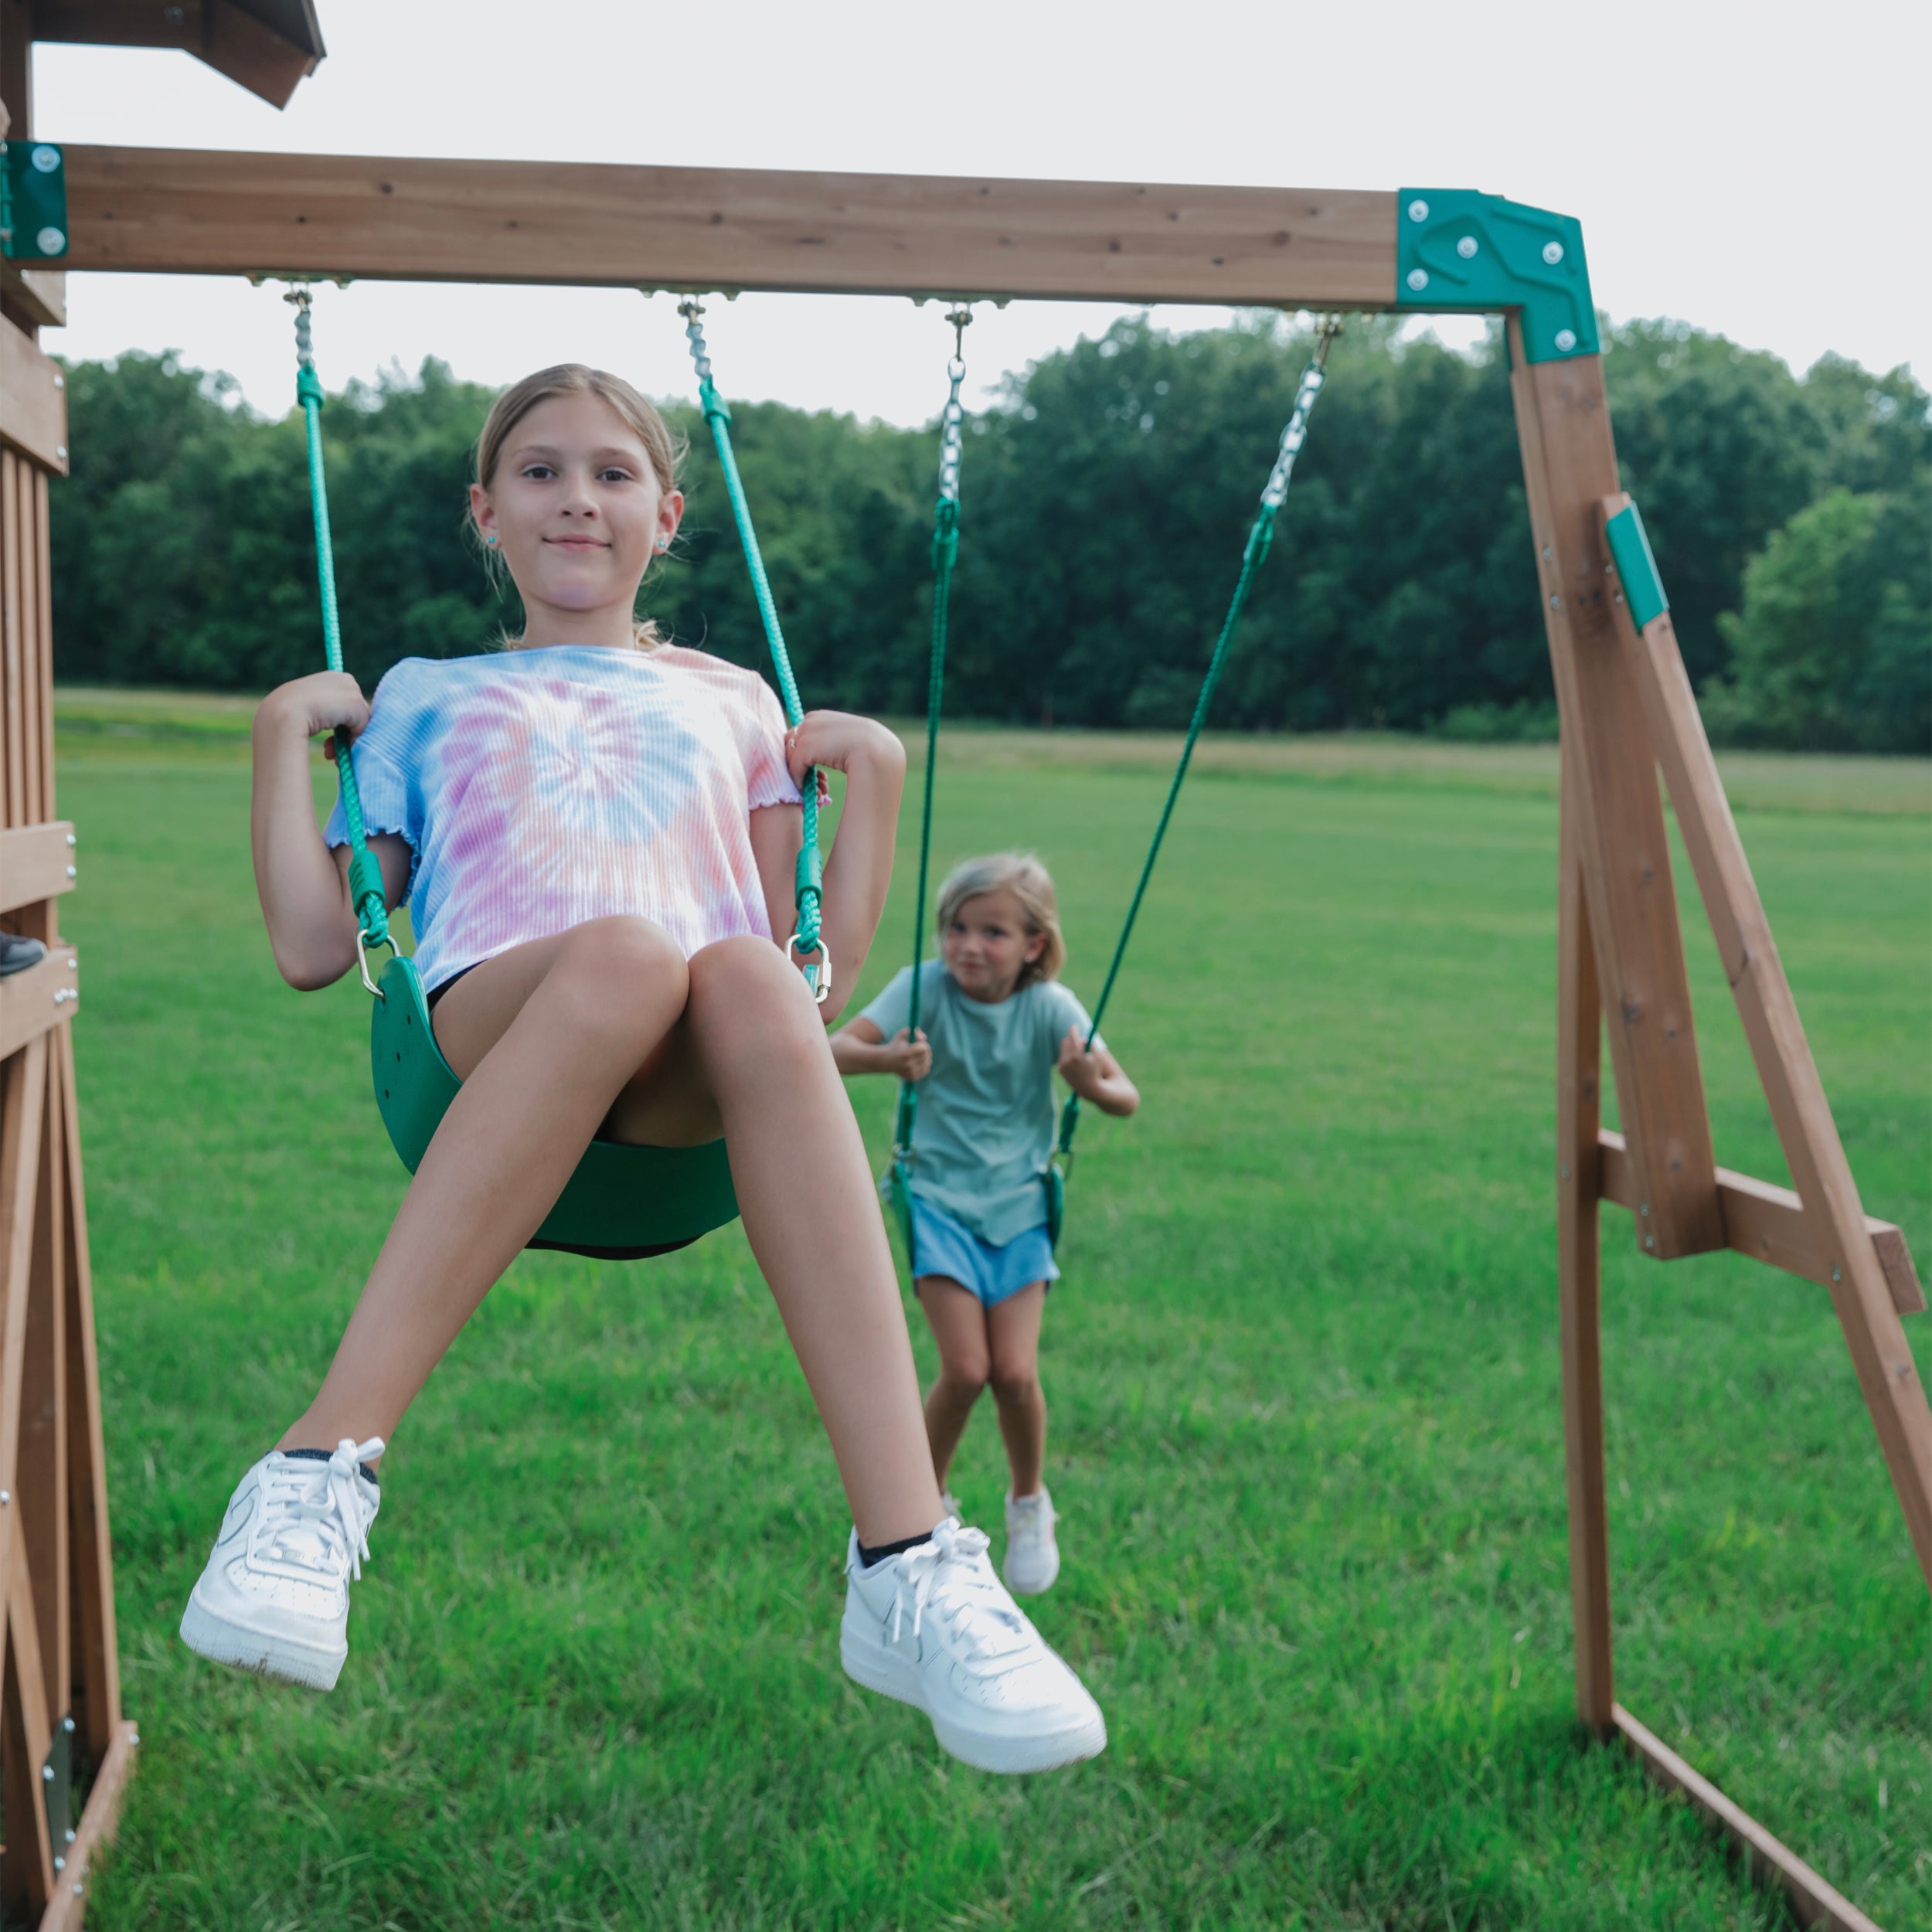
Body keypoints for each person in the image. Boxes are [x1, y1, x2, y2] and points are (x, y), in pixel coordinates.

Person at [179, 364, 1104, 1776]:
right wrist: (274, 742)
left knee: (731, 967)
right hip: (494, 1038)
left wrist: (882, 787)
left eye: (611, 473)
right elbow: (318, 945)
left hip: (689, 1100)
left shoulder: (736, 701)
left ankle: (907, 1562)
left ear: (668, 513)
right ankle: (313, 1472)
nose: (577, 499)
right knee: (619, 953)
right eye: (540, 472)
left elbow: (809, 986)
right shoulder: (426, 698)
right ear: (484, 511)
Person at [832, 854, 1138, 1595]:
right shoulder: (923, 988)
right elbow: (833, 1046)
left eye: (993, 932)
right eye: (957, 928)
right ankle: (921, 1514)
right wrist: (887, 1061)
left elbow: (1125, 1095)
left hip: (1020, 1206)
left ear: (1034, 944)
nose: (969, 945)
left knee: (1015, 1373)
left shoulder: (1052, 1007)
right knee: (966, 1369)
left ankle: (1029, 1501)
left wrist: (1086, 1082)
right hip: (936, 1197)